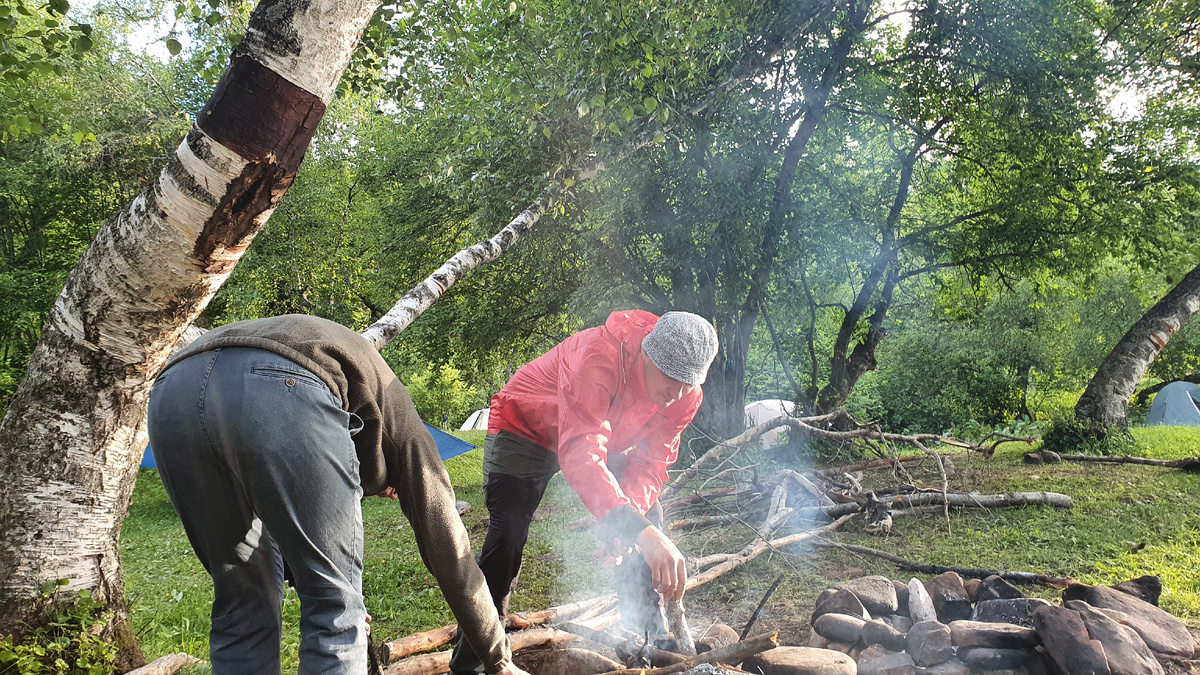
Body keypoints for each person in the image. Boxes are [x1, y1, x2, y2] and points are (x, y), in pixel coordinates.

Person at [147, 314, 529, 675]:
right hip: (285, 379)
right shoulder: (409, 434)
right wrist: (497, 658)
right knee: (335, 612)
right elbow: (450, 550)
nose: (388, 493)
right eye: (393, 489)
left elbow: (288, 518)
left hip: (173, 390)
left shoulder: (359, 406)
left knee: (242, 603)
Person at [450, 310, 718, 674]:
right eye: (671, 377)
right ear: (646, 353)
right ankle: (475, 661)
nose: (678, 393)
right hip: (525, 426)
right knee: (507, 535)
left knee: (646, 518)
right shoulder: (597, 356)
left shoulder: (686, 397)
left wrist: (625, 528)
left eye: (689, 382)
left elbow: (651, 464)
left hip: (601, 436)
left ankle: (647, 640)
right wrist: (637, 529)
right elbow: (580, 453)